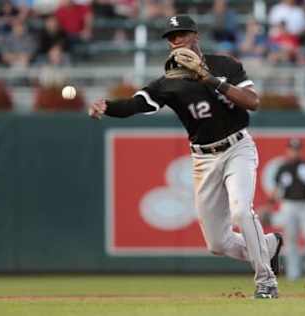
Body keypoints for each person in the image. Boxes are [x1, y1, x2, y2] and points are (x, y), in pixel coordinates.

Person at [89, 15, 283, 299]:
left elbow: (252, 102)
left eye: (181, 34)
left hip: (237, 147)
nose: (176, 40)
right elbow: (134, 104)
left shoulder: (224, 65)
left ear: (195, 36)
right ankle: (268, 245)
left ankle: (266, 282)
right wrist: (106, 106)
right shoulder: (168, 82)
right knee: (218, 244)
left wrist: (210, 79)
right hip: (203, 160)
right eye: (171, 37)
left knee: (242, 211)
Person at [264, 138, 305, 281]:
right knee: (291, 239)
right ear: (288, 150)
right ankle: (293, 273)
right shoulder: (283, 167)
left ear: (301, 150)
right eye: (292, 149)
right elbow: (277, 188)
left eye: (297, 149)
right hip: (289, 205)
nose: (294, 152)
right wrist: (270, 204)